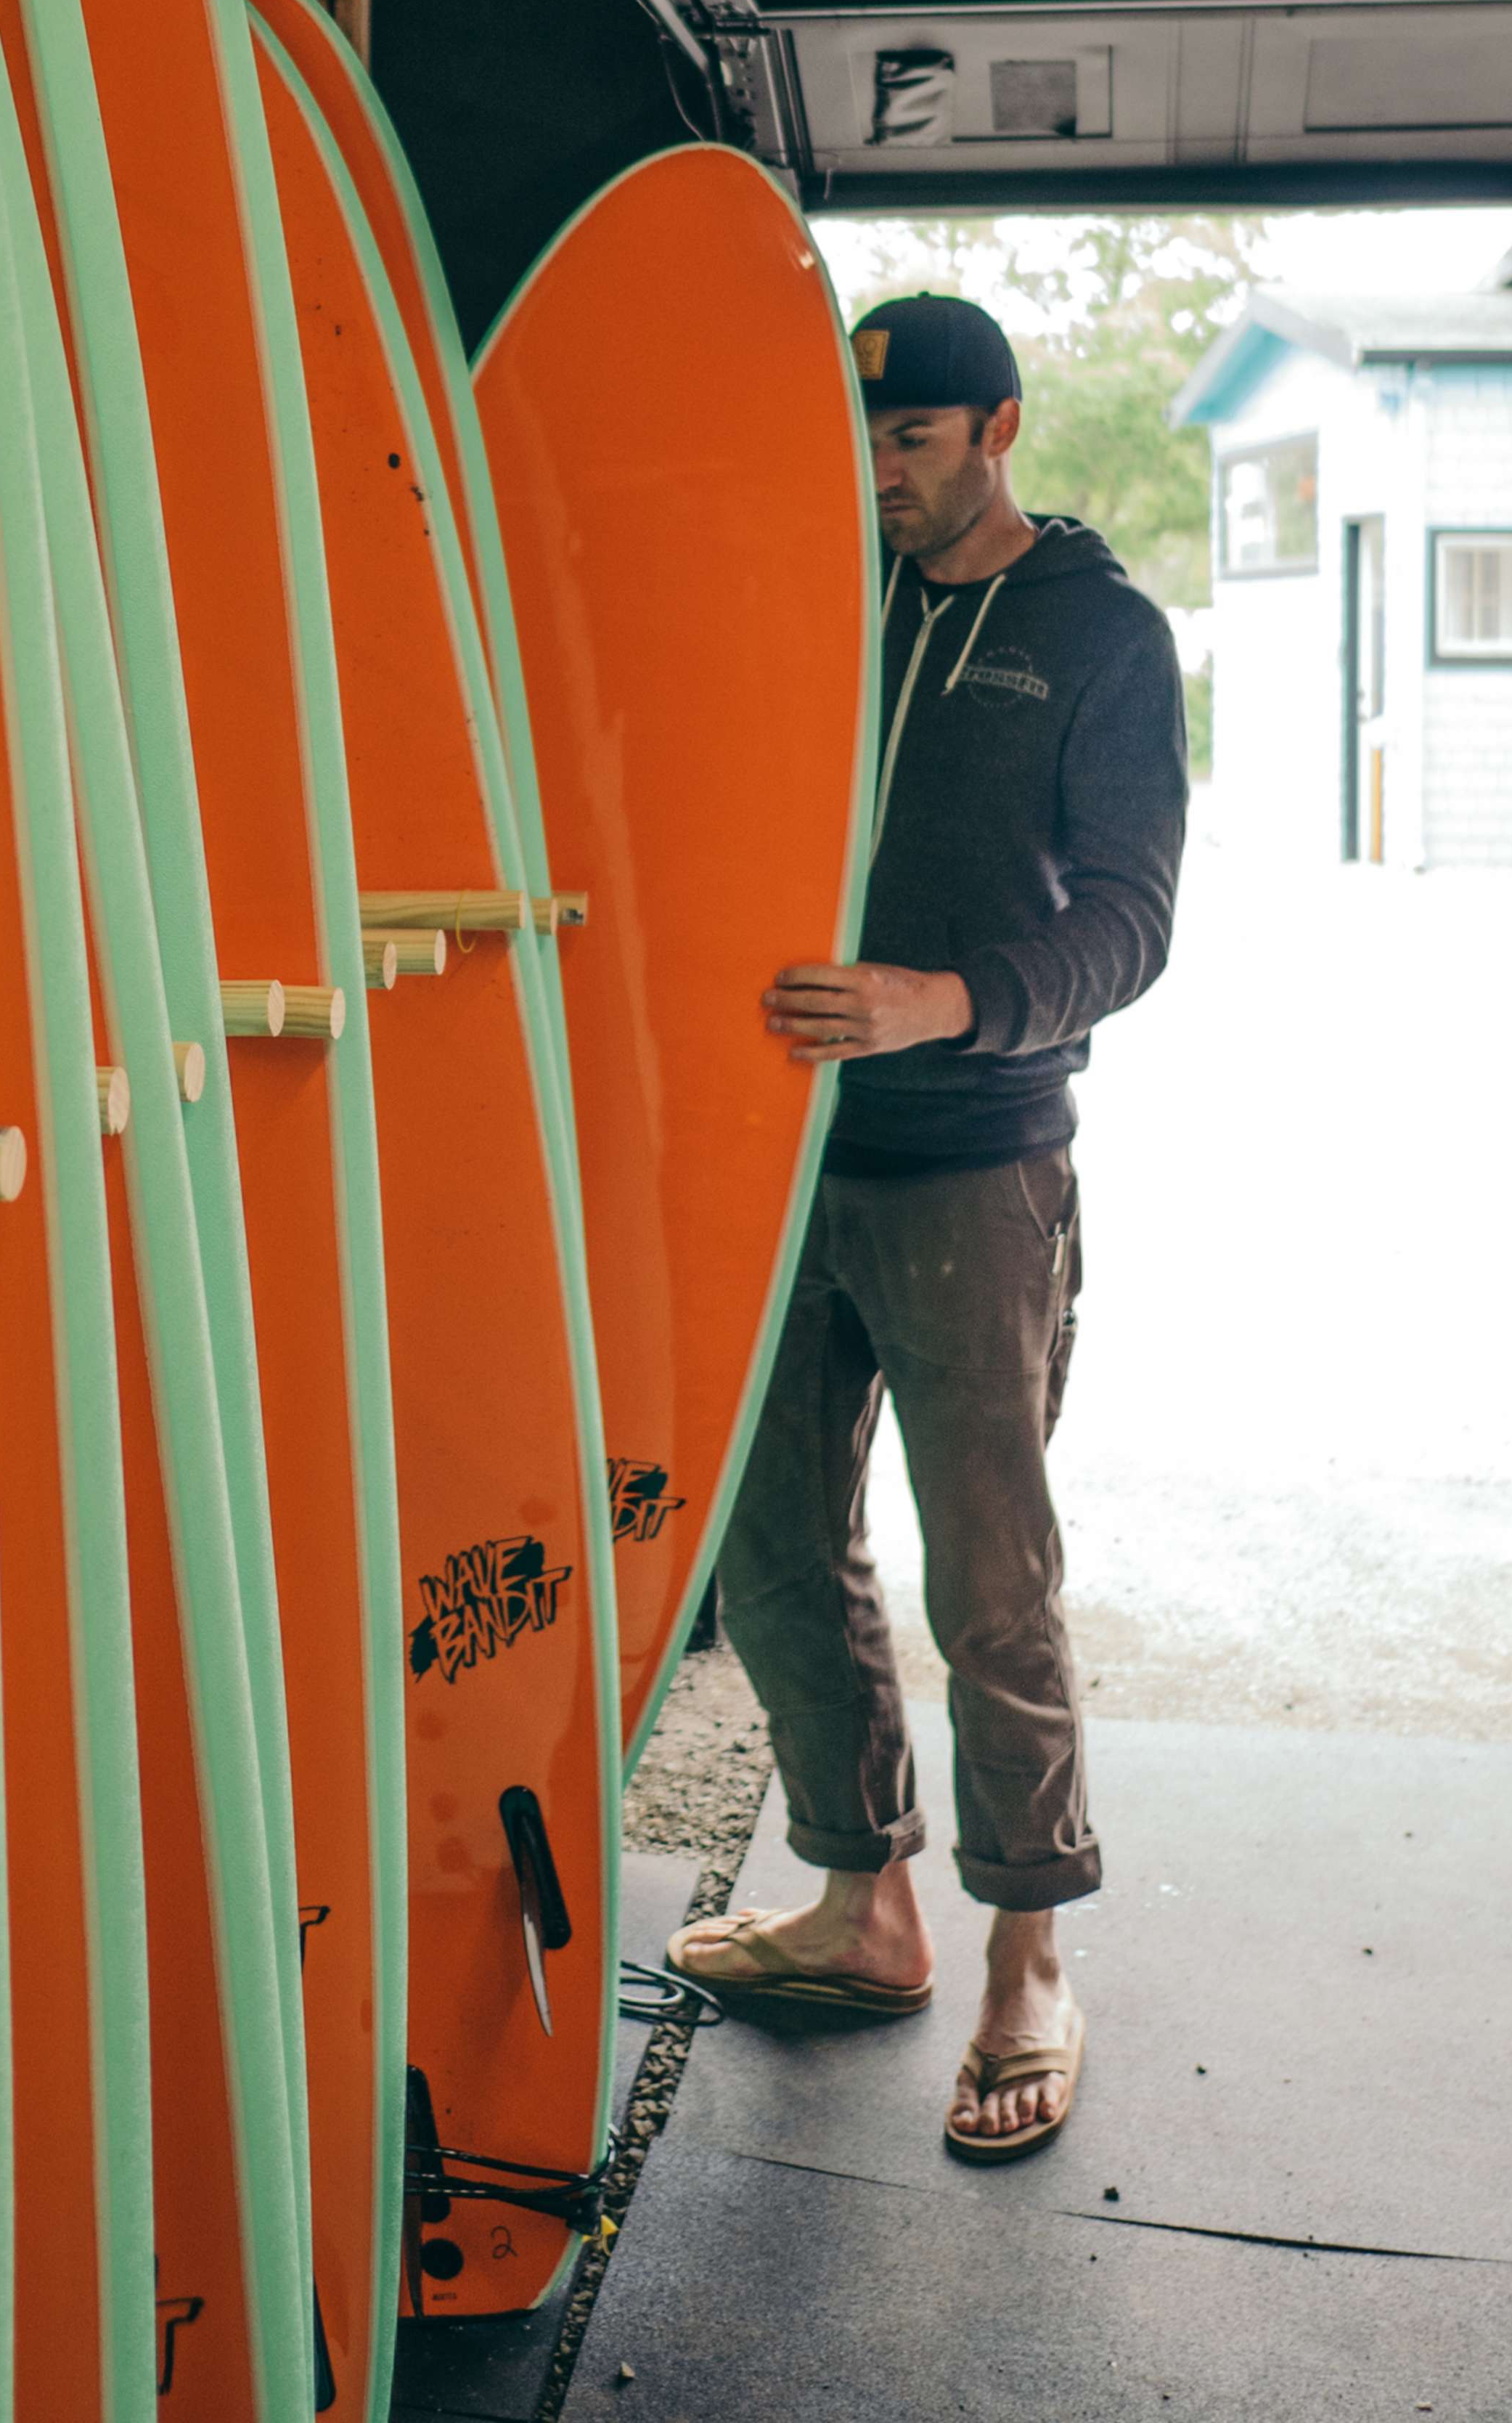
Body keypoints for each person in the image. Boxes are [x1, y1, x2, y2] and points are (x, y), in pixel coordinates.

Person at [667, 290, 1187, 2162]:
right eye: (860, 440)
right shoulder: (829, 597)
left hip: (975, 1161)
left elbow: (1131, 926)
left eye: (912, 440)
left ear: (1001, 428)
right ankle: (860, 1903)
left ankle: (1027, 1952)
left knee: (990, 1582)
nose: (880, 474)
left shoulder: (1102, 635)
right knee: (778, 1563)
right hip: (773, 1156)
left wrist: (942, 999)